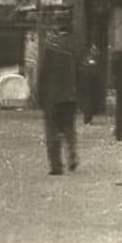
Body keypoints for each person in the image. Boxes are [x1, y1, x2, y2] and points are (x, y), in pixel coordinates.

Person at [37, 29, 80, 175]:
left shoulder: (49, 51)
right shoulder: (74, 49)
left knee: (52, 131)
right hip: (69, 97)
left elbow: (42, 76)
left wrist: (40, 98)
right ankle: (72, 153)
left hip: (52, 98)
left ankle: (56, 166)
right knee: (69, 129)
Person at [79, 44, 100, 125]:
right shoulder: (88, 59)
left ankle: (89, 118)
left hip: (92, 85)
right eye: (94, 50)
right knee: (88, 102)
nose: (95, 52)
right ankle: (87, 119)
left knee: (90, 102)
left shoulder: (93, 60)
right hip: (87, 84)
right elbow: (85, 70)